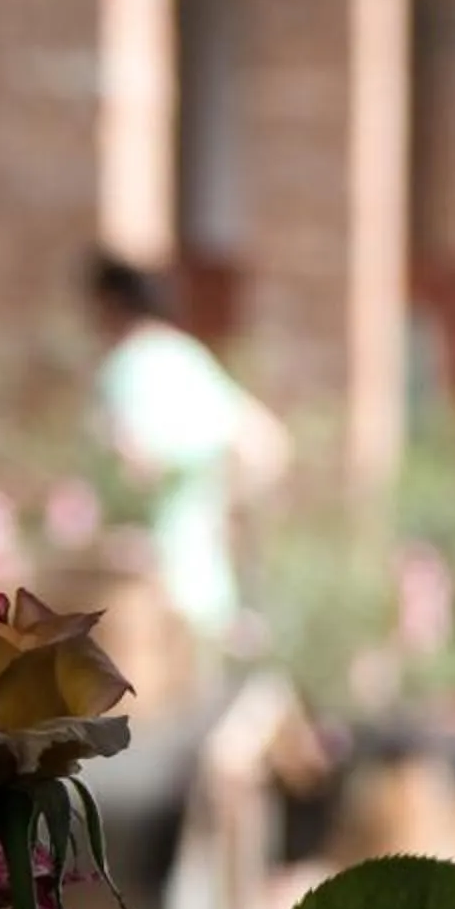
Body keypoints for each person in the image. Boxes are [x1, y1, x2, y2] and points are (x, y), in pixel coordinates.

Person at [88, 254, 288, 644]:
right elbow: (267, 444)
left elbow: (136, 461)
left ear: (109, 305)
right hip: (203, 582)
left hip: (147, 587)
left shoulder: (129, 367)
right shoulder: (186, 358)